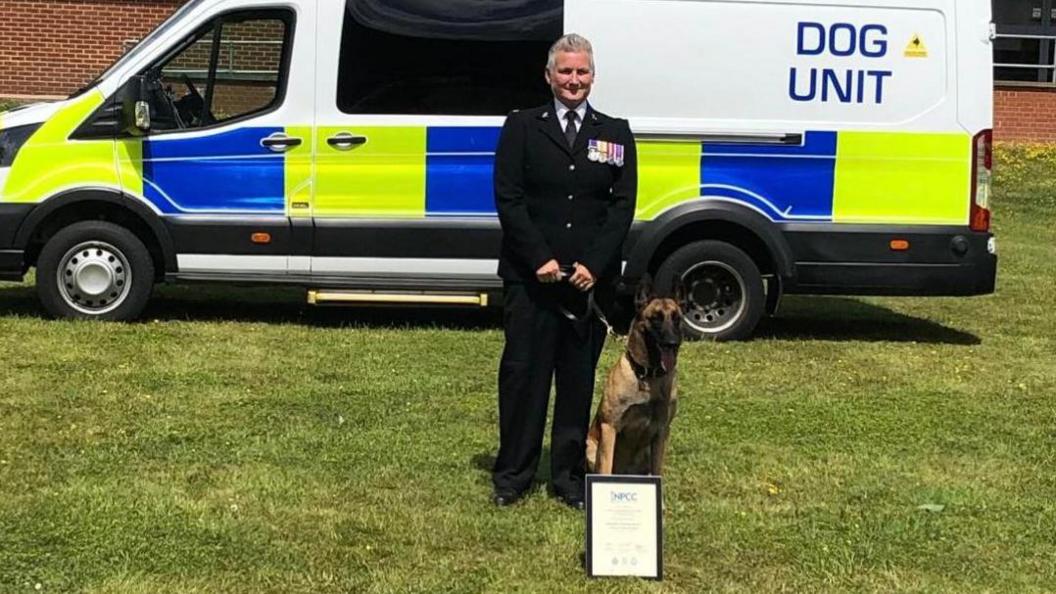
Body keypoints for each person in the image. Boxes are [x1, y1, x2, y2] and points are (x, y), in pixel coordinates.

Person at [491, 33, 637, 509]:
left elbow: (621, 207)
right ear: (549, 75)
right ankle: (513, 475)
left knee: (576, 384)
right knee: (523, 378)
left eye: (582, 72)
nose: (574, 80)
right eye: (566, 71)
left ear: (593, 76)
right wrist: (539, 259)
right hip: (532, 280)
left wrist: (594, 266)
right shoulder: (522, 127)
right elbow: (509, 198)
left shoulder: (615, 132)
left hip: (586, 286)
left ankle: (569, 478)